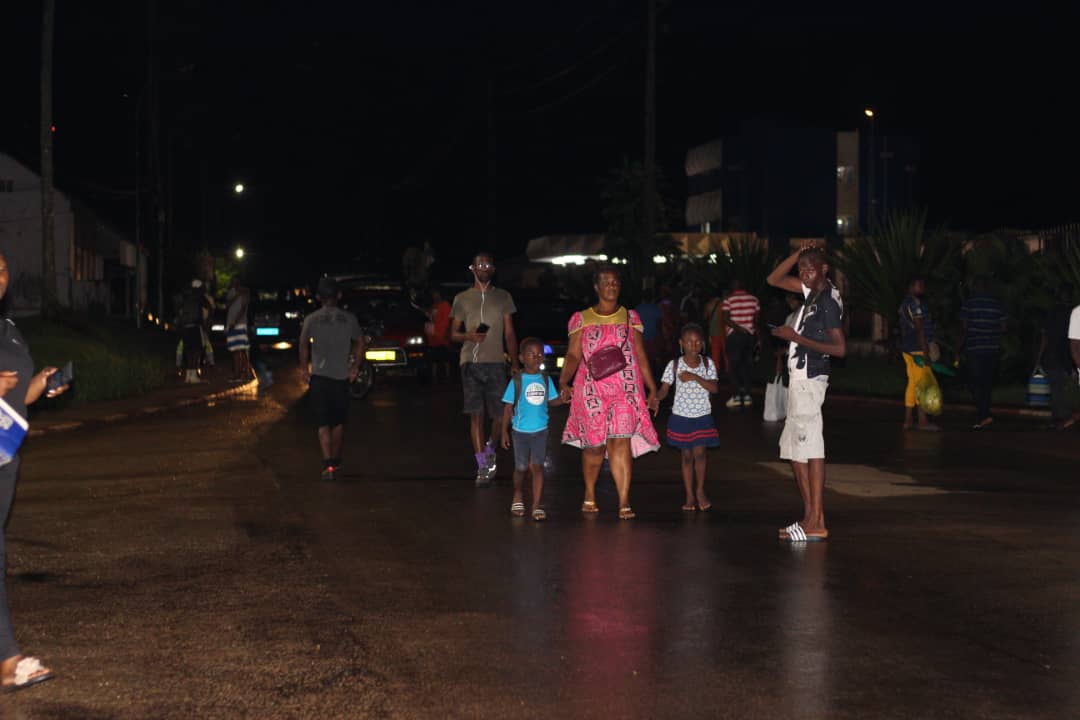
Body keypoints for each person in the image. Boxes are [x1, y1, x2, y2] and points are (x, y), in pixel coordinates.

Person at [0, 250, 67, 690]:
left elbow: (17, 395)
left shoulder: (8, 328)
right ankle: (8, 661)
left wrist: (40, 384)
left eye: (3, 268)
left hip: (4, 454)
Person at [559, 264, 660, 520]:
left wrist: (652, 388)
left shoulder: (631, 317)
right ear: (596, 287)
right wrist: (563, 381)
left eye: (615, 282)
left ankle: (624, 499)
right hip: (591, 388)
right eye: (606, 282)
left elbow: (640, 354)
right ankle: (589, 492)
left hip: (626, 388)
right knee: (594, 446)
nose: (611, 286)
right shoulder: (581, 319)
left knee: (620, 440)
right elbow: (573, 354)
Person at [766, 243, 846, 543]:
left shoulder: (827, 301)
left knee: (811, 450)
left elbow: (840, 348)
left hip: (810, 381)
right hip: (799, 379)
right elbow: (773, 279)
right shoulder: (812, 292)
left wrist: (795, 337)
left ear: (824, 269)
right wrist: (797, 254)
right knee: (794, 452)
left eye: (810, 270)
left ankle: (816, 521)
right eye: (801, 271)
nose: (804, 275)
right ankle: (811, 517)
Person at [450, 252, 519, 486]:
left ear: (493, 269)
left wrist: (515, 364)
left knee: (500, 415)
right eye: (480, 264)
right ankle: (482, 464)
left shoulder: (503, 297)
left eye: (488, 264)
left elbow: (510, 332)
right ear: (472, 268)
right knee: (476, 414)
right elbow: (453, 334)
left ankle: (490, 448)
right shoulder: (462, 298)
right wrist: (468, 336)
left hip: (496, 362)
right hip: (470, 362)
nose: (484, 267)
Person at [298, 276, 366, 482]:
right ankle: (334, 463)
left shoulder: (311, 319)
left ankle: (327, 464)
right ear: (339, 295)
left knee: (323, 423)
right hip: (341, 378)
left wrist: (304, 368)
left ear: (319, 297)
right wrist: (354, 367)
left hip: (319, 378)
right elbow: (360, 342)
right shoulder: (349, 319)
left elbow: (303, 344)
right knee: (338, 423)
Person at [656, 324, 720, 512]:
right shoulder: (674, 365)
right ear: (681, 343)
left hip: (702, 416)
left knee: (700, 453)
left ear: (703, 344)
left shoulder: (707, 363)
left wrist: (694, 377)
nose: (694, 345)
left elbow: (714, 388)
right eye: (689, 342)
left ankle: (699, 491)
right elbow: (664, 389)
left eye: (698, 342)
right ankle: (689, 494)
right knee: (686, 456)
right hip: (682, 417)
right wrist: (655, 398)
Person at [499, 338, 565, 521]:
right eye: (532, 354)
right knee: (521, 467)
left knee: (537, 467)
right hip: (520, 432)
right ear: (521, 358)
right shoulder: (517, 380)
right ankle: (518, 493)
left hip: (540, 432)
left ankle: (536, 505)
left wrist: (564, 398)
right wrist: (504, 432)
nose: (537, 358)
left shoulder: (545, 379)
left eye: (540, 354)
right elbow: (508, 407)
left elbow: (552, 401)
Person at [957, 276, 1008, 430]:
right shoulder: (996, 303)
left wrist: (958, 348)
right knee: (986, 382)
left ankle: (983, 414)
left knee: (975, 382)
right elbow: (1004, 327)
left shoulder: (969, 303)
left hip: (974, 348)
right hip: (992, 348)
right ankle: (985, 412)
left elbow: (964, 328)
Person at [898, 276, 940, 431]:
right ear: (911, 287)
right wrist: (925, 351)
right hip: (918, 349)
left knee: (913, 384)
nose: (922, 288)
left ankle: (908, 420)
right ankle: (922, 421)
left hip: (908, 349)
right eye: (919, 285)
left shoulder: (904, 304)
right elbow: (920, 328)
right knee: (922, 385)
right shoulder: (915, 304)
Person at [1036, 289, 1080, 429]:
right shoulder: (1071, 312)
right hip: (1065, 356)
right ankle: (1060, 417)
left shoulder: (1054, 313)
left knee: (1056, 388)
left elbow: (1045, 336)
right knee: (1059, 388)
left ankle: (1062, 417)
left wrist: (1040, 356)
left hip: (1056, 355)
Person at [720, 278, 761, 408]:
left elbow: (726, 318)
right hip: (749, 335)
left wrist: (738, 328)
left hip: (734, 335)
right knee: (746, 365)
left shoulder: (728, 299)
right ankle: (747, 396)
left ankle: (736, 396)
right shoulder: (754, 299)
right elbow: (756, 320)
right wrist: (757, 336)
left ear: (734, 286)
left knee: (733, 366)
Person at [177, 279, 207, 384]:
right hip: (195, 327)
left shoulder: (185, 296)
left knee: (188, 350)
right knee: (197, 350)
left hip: (185, 327)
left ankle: (188, 375)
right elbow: (208, 308)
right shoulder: (199, 297)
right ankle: (193, 375)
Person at [225, 277, 251, 383]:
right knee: (235, 350)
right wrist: (236, 295)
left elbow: (243, 309)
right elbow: (227, 305)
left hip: (239, 324)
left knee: (241, 350)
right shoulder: (231, 292)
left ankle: (242, 374)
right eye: (232, 282)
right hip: (231, 323)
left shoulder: (245, 292)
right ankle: (239, 373)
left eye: (236, 282)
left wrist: (235, 322)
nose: (234, 284)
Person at [425, 287, 454, 382]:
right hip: (433, 338)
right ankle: (434, 377)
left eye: (436, 294)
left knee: (445, 359)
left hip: (443, 337)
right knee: (434, 360)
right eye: (433, 294)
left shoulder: (445, 305)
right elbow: (431, 318)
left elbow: (448, 322)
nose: (434, 296)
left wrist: (447, 334)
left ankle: (447, 377)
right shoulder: (433, 306)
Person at [633, 289, 662, 374]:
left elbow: (634, 326)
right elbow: (659, 324)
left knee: (642, 360)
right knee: (654, 360)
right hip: (653, 338)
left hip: (641, 339)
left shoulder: (638, 309)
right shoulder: (656, 308)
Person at [702, 289, 729, 376]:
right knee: (726, 352)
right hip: (723, 332)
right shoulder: (724, 304)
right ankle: (728, 370)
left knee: (715, 354)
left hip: (713, 332)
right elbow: (727, 318)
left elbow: (705, 317)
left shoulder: (708, 305)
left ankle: (716, 371)